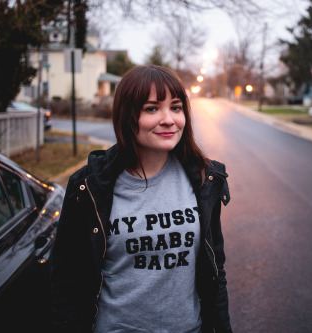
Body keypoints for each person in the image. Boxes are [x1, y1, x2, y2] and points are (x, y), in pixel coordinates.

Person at [50, 65, 232, 333]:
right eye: (151, 108)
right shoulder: (88, 187)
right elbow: (66, 280)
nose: (169, 119)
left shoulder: (204, 179)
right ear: (127, 115)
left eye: (176, 107)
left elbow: (217, 268)